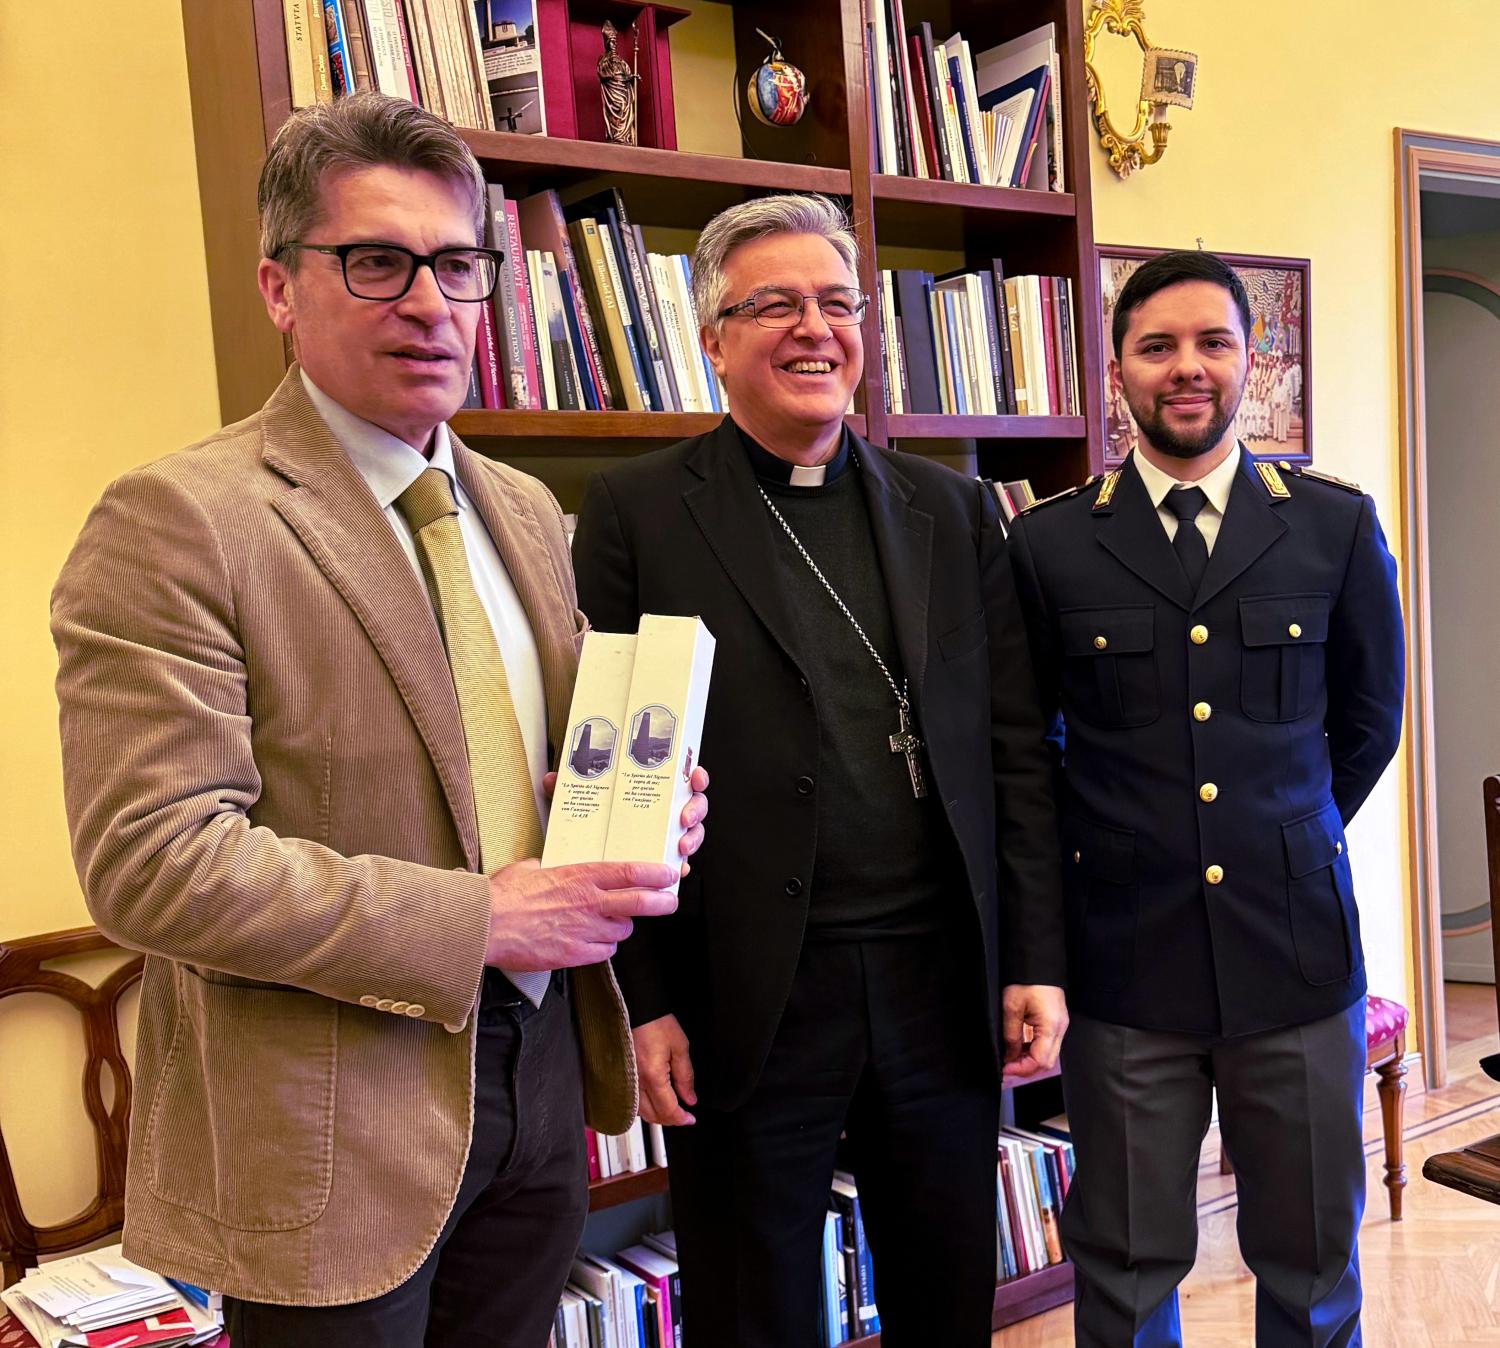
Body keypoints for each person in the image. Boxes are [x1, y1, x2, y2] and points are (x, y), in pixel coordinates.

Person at [51, 92, 707, 1348]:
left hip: (539, 1077)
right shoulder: (179, 519)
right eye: (375, 262)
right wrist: (483, 918)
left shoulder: (520, 507)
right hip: (328, 1129)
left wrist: (644, 801)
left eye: (458, 265)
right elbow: (152, 861)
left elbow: (526, 766)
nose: (428, 302)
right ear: (279, 288)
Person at [571, 193, 1067, 1348]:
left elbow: (1015, 752)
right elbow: (607, 774)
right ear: (713, 339)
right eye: (776, 304)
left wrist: (1035, 958)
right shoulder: (637, 514)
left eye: (838, 303)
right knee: (752, 1309)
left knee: (946, 1299)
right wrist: (645, 999)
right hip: (749, 993)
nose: (815, 328)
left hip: (936, 981)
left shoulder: (952, 509)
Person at [1008, 249, 1404, 1347]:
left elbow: (1368, 723)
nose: (1187, 366)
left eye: (1213, 342)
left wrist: (1283, 833)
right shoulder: (1049, 543)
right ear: (1117, 372)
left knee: (1313, 1268)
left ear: (1250, 360)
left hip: (1296, 953)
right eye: (1157, 345)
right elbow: (1028, 756)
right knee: (1126, 1273)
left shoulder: (1331, 524)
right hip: (1126, 963)